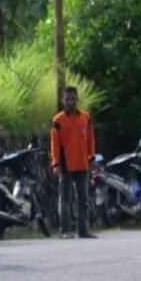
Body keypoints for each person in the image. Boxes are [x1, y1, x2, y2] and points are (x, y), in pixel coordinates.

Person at [50, 85, 97, 239]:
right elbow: (55, 144)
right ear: (63, 100)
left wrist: (92, 157)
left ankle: (83, 230)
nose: (70, 102)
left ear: (77, 99)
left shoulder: (85, 117)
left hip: (82, 164)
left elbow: (90, 140)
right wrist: (56, 164)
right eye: (67, 99)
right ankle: (65, 230)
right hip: (65, 165)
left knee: (83, 200)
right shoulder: (58, 120)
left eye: (72, 98)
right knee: (65, 199)